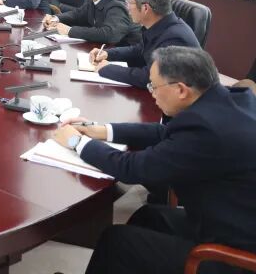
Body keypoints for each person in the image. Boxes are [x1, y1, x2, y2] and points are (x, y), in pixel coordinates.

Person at [52, 47, 256, 274]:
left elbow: (132, 169)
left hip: (237, 257)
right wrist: (100, 130)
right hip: (231, 220)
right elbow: (165, 133)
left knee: (117, 242)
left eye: (154, 86)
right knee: (148, 217)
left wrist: (77, 142)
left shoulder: (206, 131)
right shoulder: (228, 100)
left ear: (181, 90)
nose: (152, 93)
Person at [86, 0, 200, 89]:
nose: (127, 6)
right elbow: (139, 50)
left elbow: (151, 78)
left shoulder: (175, 38)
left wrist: (108, 69)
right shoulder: (159, 25)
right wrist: (108, 54)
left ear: (145, 8)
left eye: (130, 2)